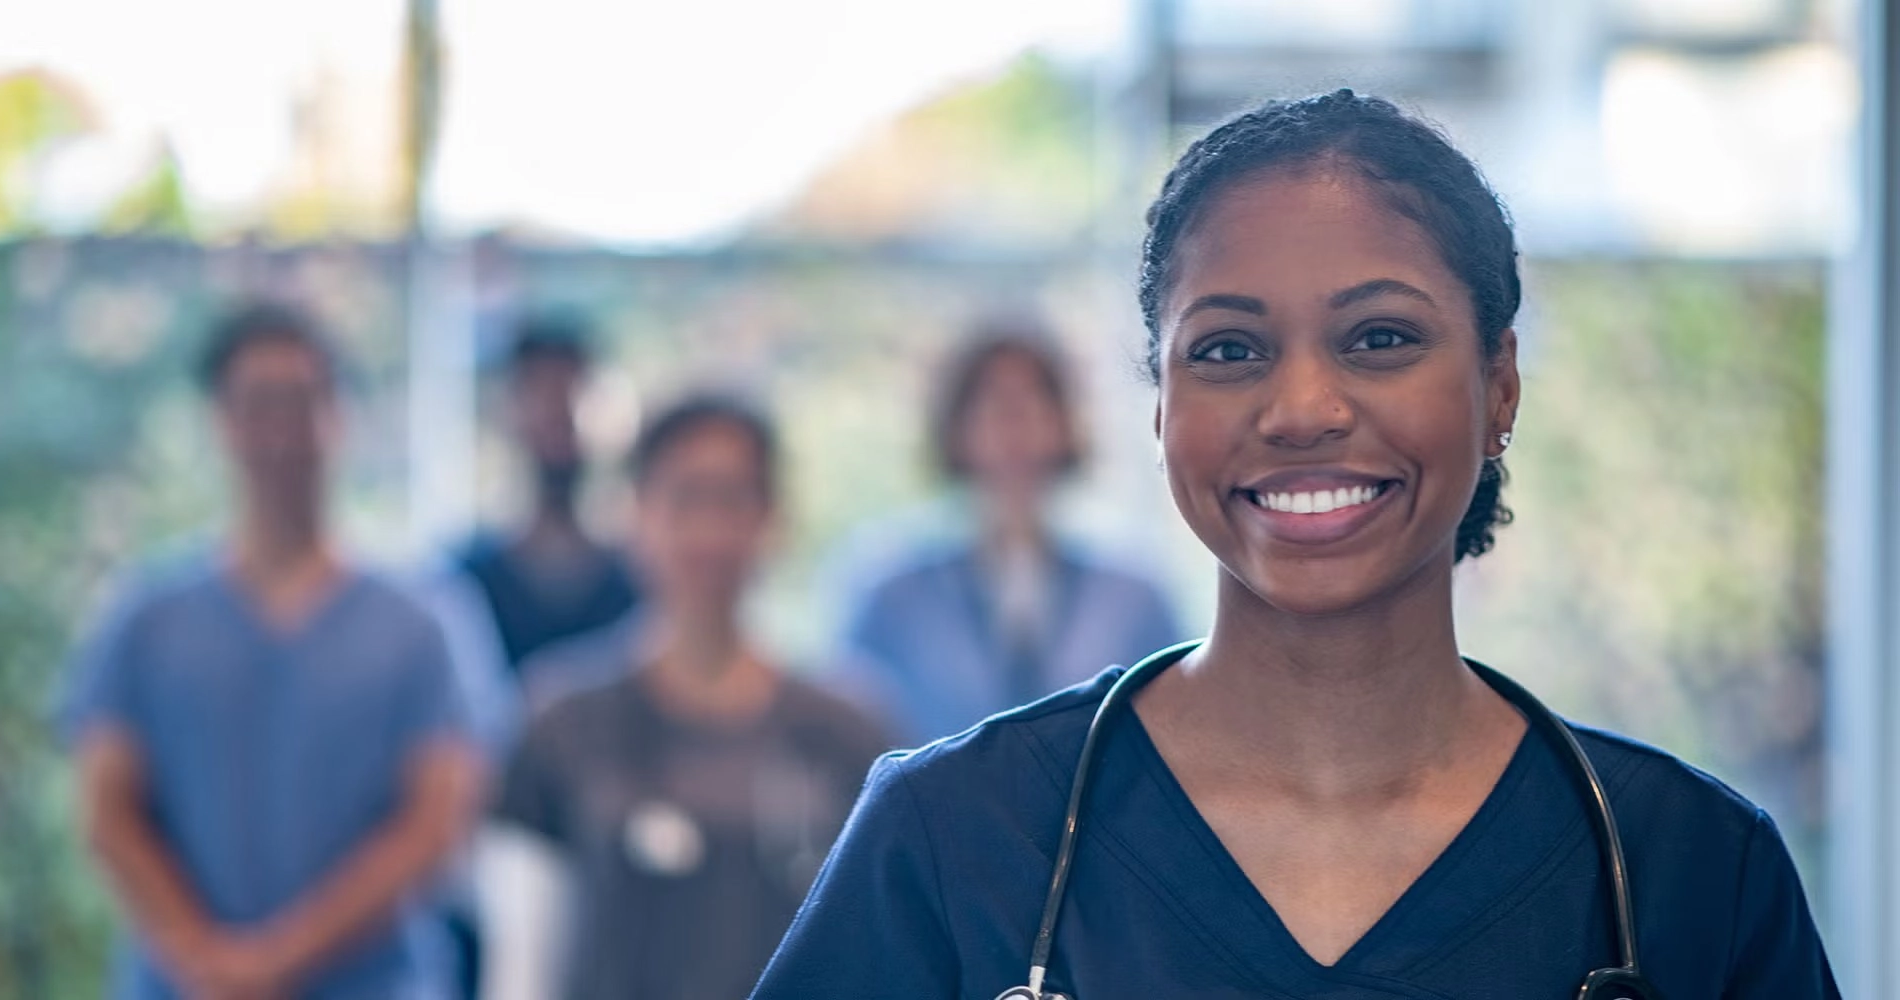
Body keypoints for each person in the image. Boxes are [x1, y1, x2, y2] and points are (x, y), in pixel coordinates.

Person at [753, 90, 1837, 998]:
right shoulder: (956, 841)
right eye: (1227, 348)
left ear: (1497, 384)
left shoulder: (1691, 875)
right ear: (1160, 405)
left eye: (1379, 338)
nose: (1302, 407)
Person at [60, 303, 490, 999]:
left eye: (304, 400)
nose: (282, 431)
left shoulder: (424, 621)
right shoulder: (145, 615)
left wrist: (275, 962)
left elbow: (437, 822)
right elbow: (108, 812)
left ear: (342, 415)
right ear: (219, 421)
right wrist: (207, 960)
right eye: (258, 403)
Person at [485, 396, 891, 1000]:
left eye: (732, 499)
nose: (708, 532)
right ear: (636, 515)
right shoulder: (561, 720)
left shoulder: (850, 730)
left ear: (772, 519)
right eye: (684, 498)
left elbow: (882, 956)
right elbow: (521, 969)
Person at [837, 322, 1182, 744]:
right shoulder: (891, 591)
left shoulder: (1131, 594)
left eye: (1033, 400)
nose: (1014, 422)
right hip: (934, 808)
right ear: (955, 425)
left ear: (1064, 421)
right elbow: (851, 742)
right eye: (992, 402)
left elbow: (1174, 729)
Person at [458, 313, 638, 678]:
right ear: (509, 413)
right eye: (542, 395)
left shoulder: (642, 580)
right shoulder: (466, 584)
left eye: (572, 393)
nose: (560, 415)